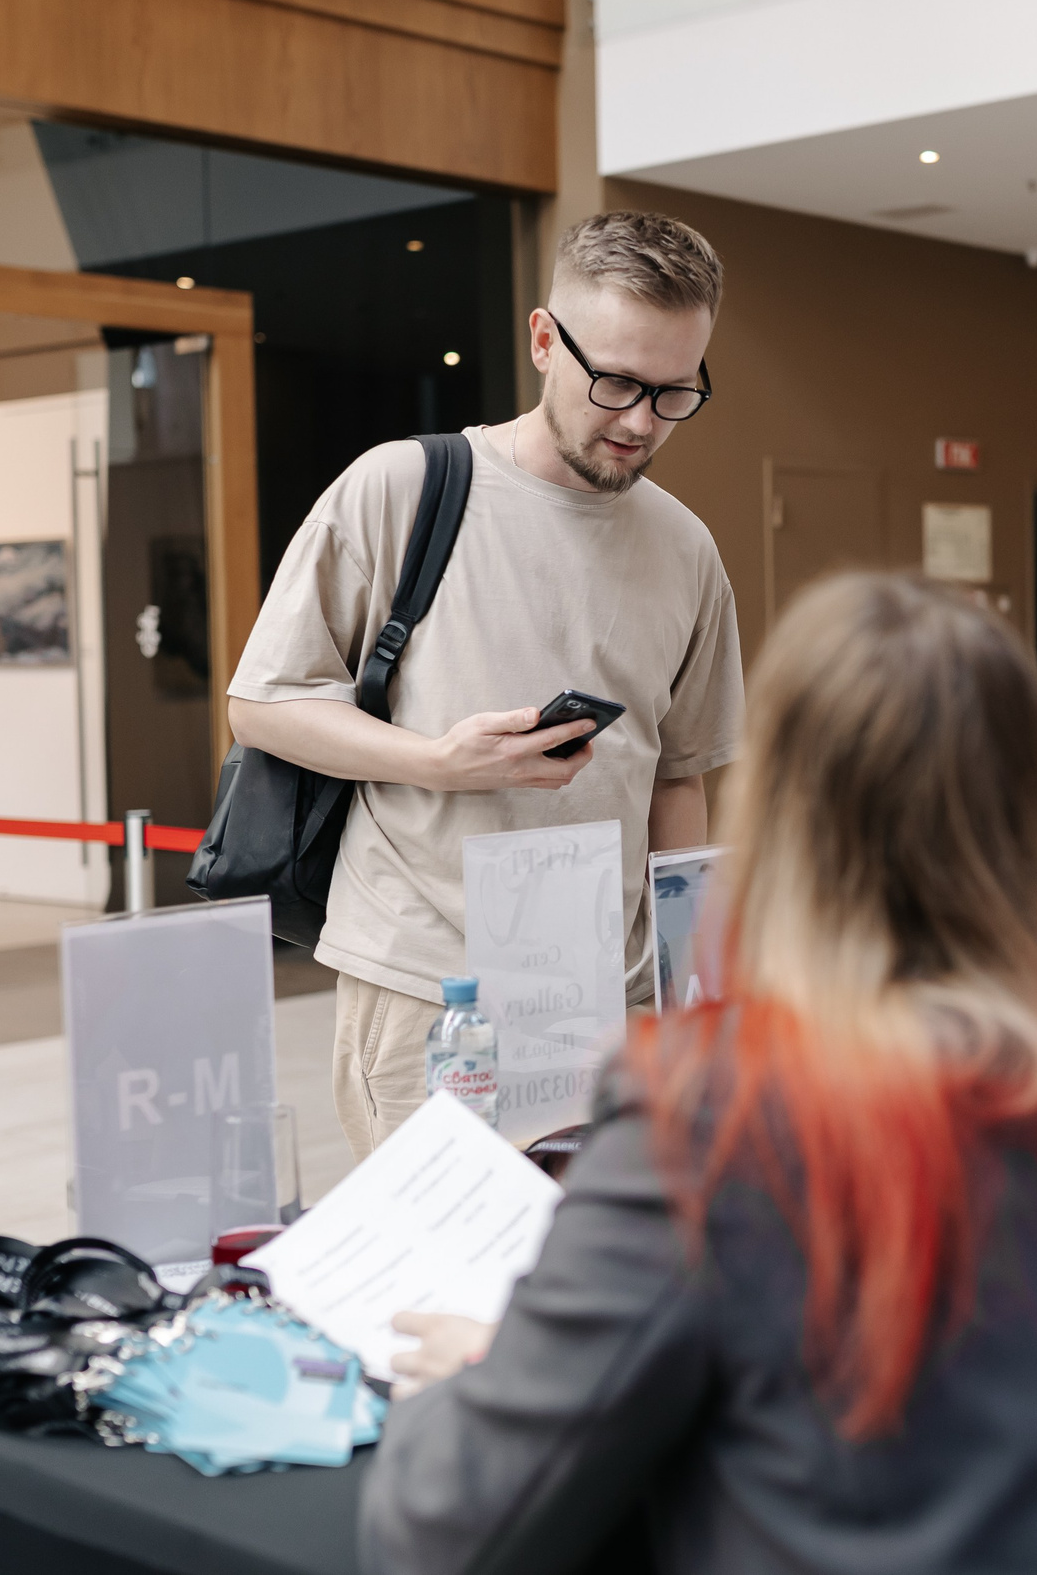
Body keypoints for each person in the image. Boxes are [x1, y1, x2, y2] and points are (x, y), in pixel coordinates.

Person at [360, 572, 1037, 1575]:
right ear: (1034, 801)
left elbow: (445, 1529)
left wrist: (494, 1375)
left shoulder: (716, 1110)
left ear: (782, 815)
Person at [225, 212, 745, 1157]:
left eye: (674, 393)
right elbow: (262, 704)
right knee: (437, 1285)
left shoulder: (687, 548)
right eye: (617, 381)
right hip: (434, 992)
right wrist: (435, 760)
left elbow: (679, 775)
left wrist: (686, 991)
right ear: (545, 340)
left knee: (588, 1291)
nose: (639, 421)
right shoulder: (403, 487)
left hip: (607, 998)